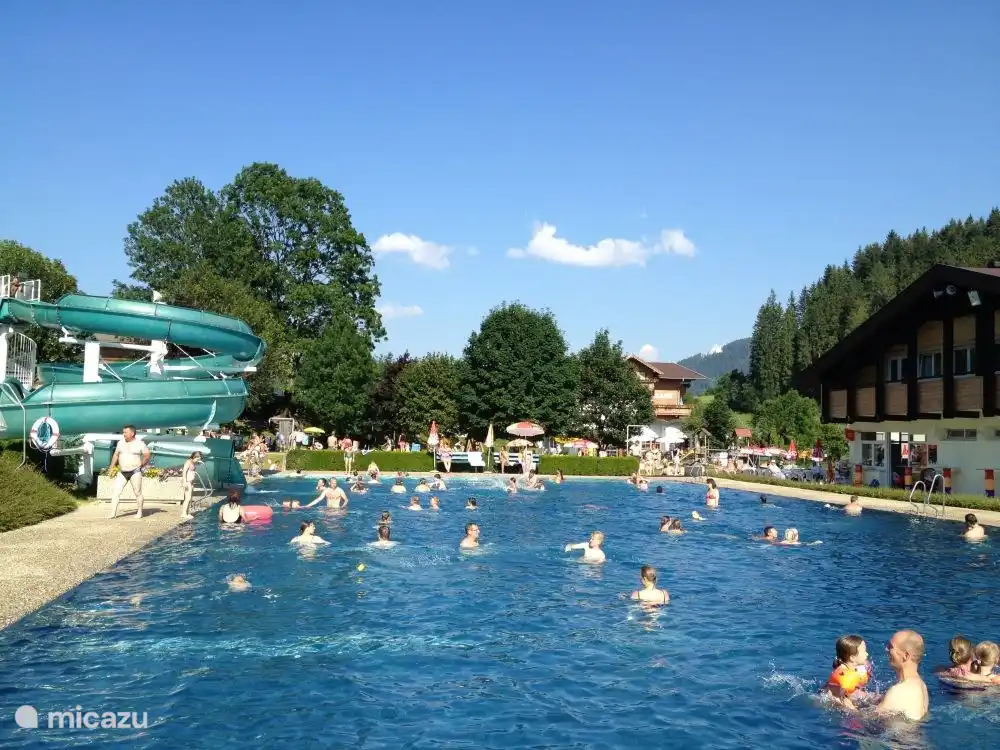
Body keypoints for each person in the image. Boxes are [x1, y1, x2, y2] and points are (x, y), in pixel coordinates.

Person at [877, 630, 929, 721]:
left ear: (906, 656)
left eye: (890, 647)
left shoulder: (898, 691)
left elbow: (868, 723)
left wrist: (846, 705)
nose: (886, 649)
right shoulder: (921, 685)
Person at [108, 425, 151, 519]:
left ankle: (139, 512)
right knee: (116, 492)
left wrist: (141, 465)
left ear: (132, 433)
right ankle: (113, 513)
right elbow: (116, 455)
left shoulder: (140, 444)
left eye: (125, 432)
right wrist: (111, 467)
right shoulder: (120, 443)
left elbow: (147, 455)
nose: (123, 434)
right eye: (123, 432)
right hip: (122, 471)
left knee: (137, 492)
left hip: (135, 471)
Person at [823, 635, 872, 710]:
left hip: (849, 694)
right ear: (852, 658)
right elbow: (845, 701)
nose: (867, 654)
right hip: (837, 700)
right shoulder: (845, 677)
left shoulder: (857, 667)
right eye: (864, 651)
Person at [180, 451, 202, 519]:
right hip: (187, 481)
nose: (198, 461)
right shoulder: (188, 462)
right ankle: (183, 513)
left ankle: (187, 513)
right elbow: (184, 472)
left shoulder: (193, 463)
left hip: (191, 482)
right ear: (194, 457)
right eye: (197, 459)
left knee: (190, 498)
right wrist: (184, 482)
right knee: (187, 498)